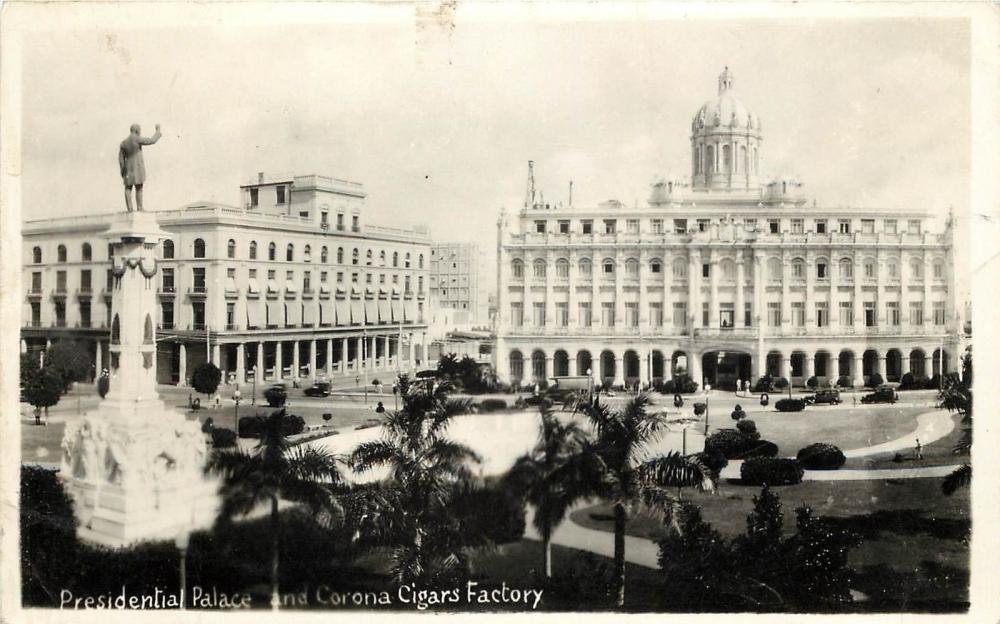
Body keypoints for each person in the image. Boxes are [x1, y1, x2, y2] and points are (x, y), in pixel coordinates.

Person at [118, 123, 162, 212]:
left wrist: (122, 170)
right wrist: (157, 131)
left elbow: (120, 158)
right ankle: (140, 207)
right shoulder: (137, 138)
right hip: (137, 167)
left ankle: (130, 209)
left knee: (128, 188)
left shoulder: (123, 142)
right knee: (139, 187)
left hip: (127, 168)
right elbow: (152, 140)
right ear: (137, 130)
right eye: (139, 130)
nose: (140, 132)